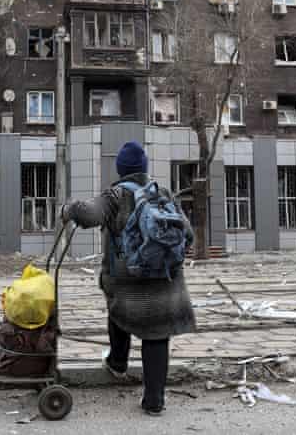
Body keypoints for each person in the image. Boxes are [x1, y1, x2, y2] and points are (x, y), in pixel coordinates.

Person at [61, 140, 196, 416]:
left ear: (121, 169)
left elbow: (89, 215)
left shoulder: (116, 195)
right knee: (157, 336)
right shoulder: (163, 194)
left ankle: (118, 363)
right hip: (166, 280)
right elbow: (188, 235)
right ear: (144, 168)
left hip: (128, 282)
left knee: (118, 314)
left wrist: (69, 209)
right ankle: (154, 401)